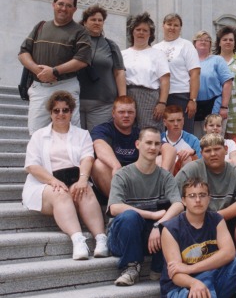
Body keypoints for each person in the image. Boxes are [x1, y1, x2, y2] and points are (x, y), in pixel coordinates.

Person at [22, 90, 108, 260]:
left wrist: (83, 179)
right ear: (50, 113)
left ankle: (101, 239)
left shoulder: (82, 134)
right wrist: (53, 181)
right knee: (60, 193)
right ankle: (78, 240)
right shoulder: (39, 136)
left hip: (75, 179)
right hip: (45, 184)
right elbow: (32, 165)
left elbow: (87, 158)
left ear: (71, 112)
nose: (61, 114)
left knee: (85, 190)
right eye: (56, 110)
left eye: (65, 110)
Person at [107, 127, 184, 286]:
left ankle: (158, 267)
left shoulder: (165, 176)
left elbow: (178, 205)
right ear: (137, 144)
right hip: (122, 237)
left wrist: (158, 224)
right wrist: (151, 216)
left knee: (174, 219)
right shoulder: (123, 174)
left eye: (157, 144)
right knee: (130, 216)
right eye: (148, 143)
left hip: (150, 236)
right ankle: (131, 268)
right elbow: (114, 208)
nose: (153, 147)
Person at [18, 0, 91, 133]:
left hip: (67, 86)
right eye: (60, 4)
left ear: (74, 9)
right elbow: (23, 53)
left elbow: (82, 60)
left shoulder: (80, 31)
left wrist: (54, 71)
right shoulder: (40, 27)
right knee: (36, 133)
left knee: (71, 132)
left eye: (69, 5)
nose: (64, 8)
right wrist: (38, 70)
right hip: (40, 87)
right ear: (53, 4)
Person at [91, 95, 175, 198]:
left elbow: (169, 149)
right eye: (121, 112)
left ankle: (154, 199)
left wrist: (164, 172)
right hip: (113, 176)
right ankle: (117, 202)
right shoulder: (103, 129)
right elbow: (99, 145)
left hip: (138, 176)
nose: (126, 115)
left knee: (162, 159)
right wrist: (116, 166)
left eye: (130, 112)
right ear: (113, 113)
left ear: (135, 114)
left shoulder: (141, 133)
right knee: (99, 164)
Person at [176, 133, 236, 236]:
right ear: (201, 153)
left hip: (228, 221)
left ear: (226, 149)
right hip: (194, 222)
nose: (213, 154)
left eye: (217, 149)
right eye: (208, 151)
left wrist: (215, 217)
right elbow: (173, 196)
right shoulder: (190, 170)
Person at [77, 4, 126, 130]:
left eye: (100, 20)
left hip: (103, 104)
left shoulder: (110, 45)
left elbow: (119, 72)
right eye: (93, 19)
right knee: (76, 143)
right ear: (85, 22)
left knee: (98, 141)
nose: (97, 23)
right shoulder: (74, 42)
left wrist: (122, 99)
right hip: (75, 101)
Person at [121, 12, 170, 131]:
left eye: (145, 30)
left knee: (149, 131)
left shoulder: (158, 54)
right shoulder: (123, 54)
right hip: (128, 95)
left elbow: (165, 80)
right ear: (132, 32)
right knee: (128, 129)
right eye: (138, 29)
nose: (141, 33)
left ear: (150, 34)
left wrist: (162, 103)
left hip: (149, 97)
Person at [153, 13, 200, 134]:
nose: (172, 28)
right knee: (162, 133)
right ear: (163, 26)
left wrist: (192, 100)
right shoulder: (155, 48)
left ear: (180, 28)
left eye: (176, 25)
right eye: (169, 24)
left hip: (181, 95)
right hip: (159, 96)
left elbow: (195, 74)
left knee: (183, 133)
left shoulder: (186, 45)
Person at [192, 30, 233, 137]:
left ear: (211, 44)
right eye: (200, 39)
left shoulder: (217, 60)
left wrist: (224, 106)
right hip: (195, 105)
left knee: (214, 139)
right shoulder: (189, 61)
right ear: (194, 43)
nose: (203, 42)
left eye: (207, 40)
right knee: (197, 139)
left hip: (214, 103)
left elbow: (227, 82)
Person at [161, 104, 201, 175]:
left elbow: (201, 164)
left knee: (187, 158)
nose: (176, 124)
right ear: (164, 122)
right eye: (171, 121)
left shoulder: (193, 140)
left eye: (179, 120)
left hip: (184, 177)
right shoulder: (159, 139)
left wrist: (193, 153)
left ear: (183, 121)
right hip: (164, 174)